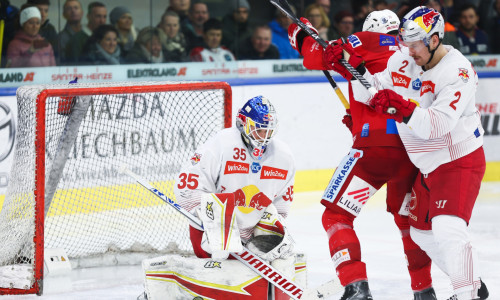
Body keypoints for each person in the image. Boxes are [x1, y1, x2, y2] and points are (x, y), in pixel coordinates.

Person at [326, 6, 489, 300]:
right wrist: (353, 69)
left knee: (447, 229)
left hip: (457, 160)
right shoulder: (405, 57)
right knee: (420, 233)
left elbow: (437, 125)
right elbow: (375, 91)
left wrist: (401, 107)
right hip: (426, 166)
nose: (408, 51)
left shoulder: (458, 72)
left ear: (435, 40)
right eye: (405, 43)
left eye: (415, 45)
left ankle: (466, 293)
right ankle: (473, 286)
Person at [288, 10, 437, 300]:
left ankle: (356, 285)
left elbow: (317, 55)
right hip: (414, 150)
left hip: (376, 150)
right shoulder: (416, 50)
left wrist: (299, 31)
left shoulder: (367, 39)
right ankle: (424, 289)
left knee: (337, 214)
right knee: (407, 222)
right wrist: (356, 118)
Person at [173, 95, 296, 263]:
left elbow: (282, 203)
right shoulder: (223, 143)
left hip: (251, 233)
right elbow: (188, 185)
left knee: (275, 226)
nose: (264, 136)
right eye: (259, 130)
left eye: (268, 131)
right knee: (218, 225)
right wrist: (208, 219)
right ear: (244, 123)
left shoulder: (283, 155)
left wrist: (272, 227)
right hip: (211, 231)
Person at [58, 0, 84, 64]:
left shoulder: (89, 35)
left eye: (76, 8)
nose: (73, 11)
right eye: (69, 8)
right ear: (64, 15)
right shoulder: (60, 38)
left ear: (82, 13)